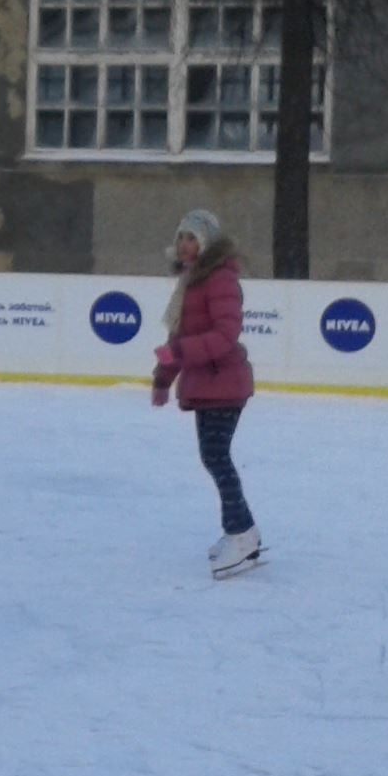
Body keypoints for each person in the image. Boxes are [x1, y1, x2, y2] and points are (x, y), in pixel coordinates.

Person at [150, 209, 262, 579]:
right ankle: (244, 533)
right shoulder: (191, 282)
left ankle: (240, 534)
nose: (184, 244)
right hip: (206, 383)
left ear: (207, 243)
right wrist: (162, 379)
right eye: (181, 237)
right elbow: (178, 339)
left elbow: (225, 335)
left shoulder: (220, 278)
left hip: (225, 381)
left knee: (216, 457)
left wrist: (181, 353)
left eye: (192, 238)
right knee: (214, 457)